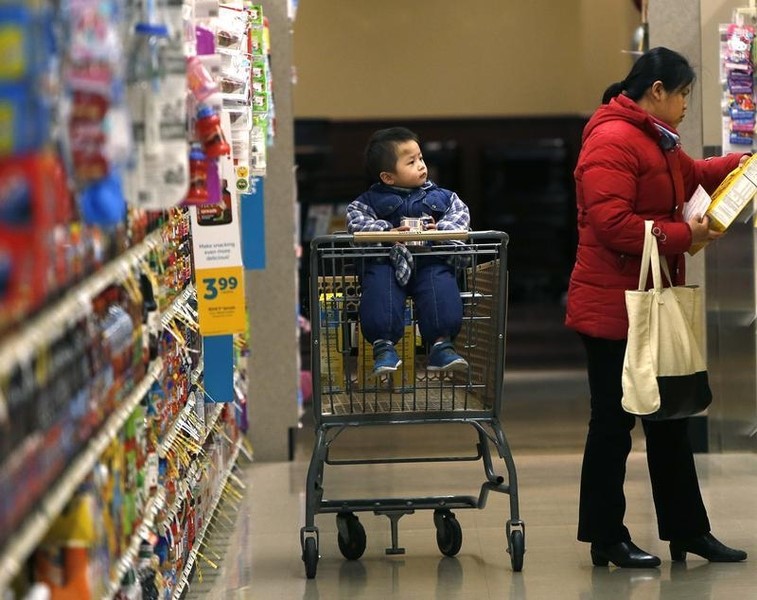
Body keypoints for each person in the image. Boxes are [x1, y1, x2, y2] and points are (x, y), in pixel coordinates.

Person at [565, 47, 749, 568]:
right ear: (657, 92)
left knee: (670, 418)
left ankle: (688, 531)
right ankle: (606, 537)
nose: (688, 103)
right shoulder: (612, 139)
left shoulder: (656, 139)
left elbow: (696, 173)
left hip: (647, 300)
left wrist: (743, 163)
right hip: (611, 307)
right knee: (614, 422)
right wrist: (682, 235)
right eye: (685, 93)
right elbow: (613, 225)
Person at [346, 127, 470, 376]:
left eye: (421, 158)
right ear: (388, 177)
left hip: (430, 260)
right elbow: (355, 219)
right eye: (411, 162)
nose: (421, 165)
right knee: (380, 289)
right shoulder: (368, 202)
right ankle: (384, 346)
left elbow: (461, 216)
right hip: (387, 262)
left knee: (441, 287)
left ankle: (441, 345)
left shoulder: (444, 197)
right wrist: (386, 232)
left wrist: (442, 230)